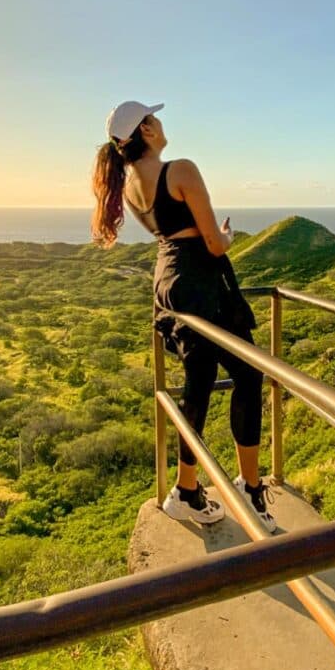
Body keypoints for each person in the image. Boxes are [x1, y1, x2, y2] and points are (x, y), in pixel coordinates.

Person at [91, 100, 276, 531]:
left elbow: (172, 235)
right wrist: (227, 235)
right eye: (155, 118)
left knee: (200, 382)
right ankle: (248, 490)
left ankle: (187, 490)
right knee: (248, 374)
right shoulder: (181, 170)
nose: (161, 123)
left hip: (170, 281)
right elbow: (212, 243)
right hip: (200, 281)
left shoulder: (131, 183)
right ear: (148, 130)